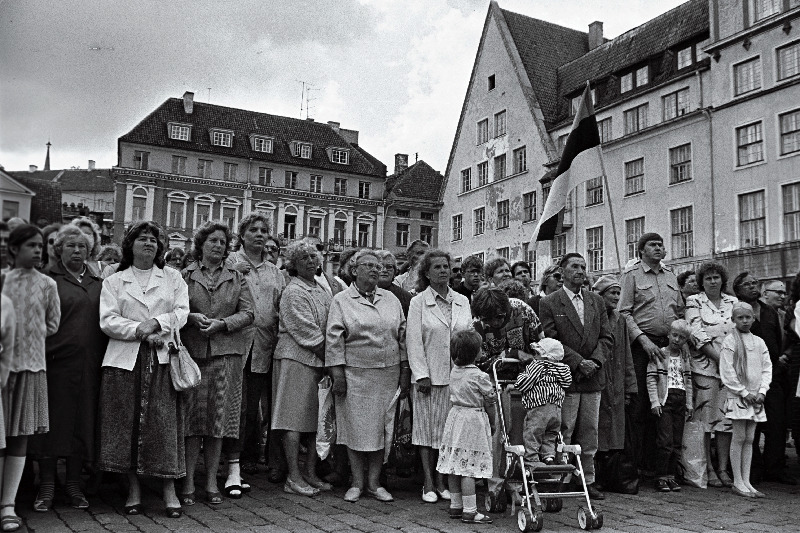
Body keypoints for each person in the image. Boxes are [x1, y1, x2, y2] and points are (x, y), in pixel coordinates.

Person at [97, 221, 188, 518]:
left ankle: (168, 489)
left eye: (154, 240)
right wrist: (139, 329)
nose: (149, 243)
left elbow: (181, 311)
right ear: (130, 244)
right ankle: (133, 488)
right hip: (125, 360)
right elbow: (108, 320)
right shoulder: (115, 280)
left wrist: (158, 324)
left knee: (163, 424)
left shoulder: (172, 277)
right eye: (142, 239)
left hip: (162, 359)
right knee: (126, 423)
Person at [30, 226, 107, 512]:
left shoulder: (99, 282)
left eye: (82, 247)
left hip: (89, 367)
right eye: (71, 246)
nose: (77, 251)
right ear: (59, 249)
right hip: (54, 365)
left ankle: (74, 484)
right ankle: (48, 485)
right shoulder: (48, 281)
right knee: (51, 425)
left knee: (81, 423)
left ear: (91, 252)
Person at [326, 249, 410, 503]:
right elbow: (333, 340)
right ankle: (356, 482)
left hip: (388, 373)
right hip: (354, 375)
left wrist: (405, 370)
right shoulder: (341, 300)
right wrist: (337, 373)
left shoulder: (391, 299)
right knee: (355, 429)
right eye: (369, 265)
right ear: (354, 270)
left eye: (380, 266)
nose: (377, 270)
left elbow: (403, 337)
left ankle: (374, 483)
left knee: (381, 430)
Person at [180, 221, 254, 505]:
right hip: (193, 353)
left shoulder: (236, 277)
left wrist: (223, 324)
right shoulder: (184, 275)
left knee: (218, 422)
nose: (218, 246)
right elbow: (173, 308)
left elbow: (249, 313)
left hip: (226, 355)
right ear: (201, 244)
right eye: (213, 240)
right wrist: (189, 318)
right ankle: (187, 482)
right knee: (192, 421)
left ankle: (211, 481)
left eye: (223, 242)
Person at [1, 225, 60, 531]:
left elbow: (52, 324)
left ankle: (7, 504)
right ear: (13, 249)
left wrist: (26, 338)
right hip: (2, 368)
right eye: (30, 246)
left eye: (40, 246)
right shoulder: (2, 280)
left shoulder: (48, 285)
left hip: (31, 367)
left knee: (19, 437)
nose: (38, 250)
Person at [539, 252, 612, 500]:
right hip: (566, 376)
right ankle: (563, 478)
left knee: (590, 431)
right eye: (574, 266)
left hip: (593, 378)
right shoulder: (550, 302)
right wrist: (579, 362)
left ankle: (587, 479)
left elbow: (606, 337)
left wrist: (595, 361)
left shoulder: (596, 301)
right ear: (562, 271)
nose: (580, 271)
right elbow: (550, 339)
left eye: (583, 266)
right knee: (565, 429)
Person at [407, 249, 472, 503]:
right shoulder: (417, 302)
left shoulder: (462, 301)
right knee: (425, 432)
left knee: (448, 432)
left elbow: (467, 335)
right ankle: (428, 483)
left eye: (446, 266)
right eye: (437, 267)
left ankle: (443, 480)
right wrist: (421, 374)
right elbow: (413, 341)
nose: (443, 270)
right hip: (429, 378)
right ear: (426, 273)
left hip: (456, 376)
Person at [226, 214, 286, 487]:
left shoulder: (275, 271)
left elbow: (280, 306)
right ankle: (239, 458)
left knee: (267, 406)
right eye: (253, 230)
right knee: (243, 407)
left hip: (268, 343)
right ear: (242, 234)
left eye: (264, 231)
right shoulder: (232, 263)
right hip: (239, 341)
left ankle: (264, 457)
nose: (259, 235)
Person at [618, 232, 683, 474]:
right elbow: (623, 313)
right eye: (652, 245)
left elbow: (679, 311)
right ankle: (633, 467)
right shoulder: (631, 276)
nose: (658, 248)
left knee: (664, 405)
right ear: (641, 251)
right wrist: (643, 340)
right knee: (640, 404)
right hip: (641, 346)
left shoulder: (671, 277)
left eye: (660, 244)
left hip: (668, 349)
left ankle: (658, 467)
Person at [272, 241, 331, 497]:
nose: (310, 261)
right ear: (293, 264)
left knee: (313, 421)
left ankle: (309, 472)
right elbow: (305, 330)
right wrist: (332, 358)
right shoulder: (293, 291)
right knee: (293, 420)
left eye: (313, 256)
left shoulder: (320, 289)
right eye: (303, 258)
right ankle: (293, 477)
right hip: (295, 360)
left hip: (318, 362)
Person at [732, 273, 794, 484]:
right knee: (751, 424)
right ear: (738, 289)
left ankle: (774, 467)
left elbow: (777, 341)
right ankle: (754, 469)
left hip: (771, 375)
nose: (752, 286)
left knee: (776, 423)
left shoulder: (769, 311)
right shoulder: (737, 310)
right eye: (747, 284)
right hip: (747, 377)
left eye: (754, 283)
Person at [684, 261, 737, 488]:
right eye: (708, 278)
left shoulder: (733, 302)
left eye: (716, 278)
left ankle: (724, 468)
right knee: (705, 420)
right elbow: (696, 333)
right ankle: (709, 468)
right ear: (701, 282)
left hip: (732, 369)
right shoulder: (694, 301)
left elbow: (741, 332)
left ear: (722, 280)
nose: (713, 281)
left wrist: (731, 364)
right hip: (705, 367)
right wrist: (719, 359)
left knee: (726, 420)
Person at [436, 329, 497, 524]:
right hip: (473, 420)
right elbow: (489, 401)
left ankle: (456, 505)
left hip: (455, 418)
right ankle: (470, 510)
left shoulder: (454, 371)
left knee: (455, 463)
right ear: (476, 353)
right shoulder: (480, 376)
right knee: (469, 467)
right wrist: (493, 421)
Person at [720, 302, 772, 498]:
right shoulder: (730, 341)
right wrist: (742, 392)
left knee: (750, 438)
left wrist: (762, 390)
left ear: (753, 318)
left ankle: (747, 480)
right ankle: (737, 481)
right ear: (733, 319)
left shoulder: (759, 342)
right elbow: (727, 370)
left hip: (756, 396)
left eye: (747, 317)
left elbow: (767, 368)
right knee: (739, 436)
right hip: (740, 395)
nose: (744, 321)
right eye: (740, 318)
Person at [592, 276, 637, 469]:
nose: (617, 297)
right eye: (612, 292)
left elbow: (626, 353)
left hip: (617, 381)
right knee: (596, 428)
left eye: (619, 293)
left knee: (615, 431)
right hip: (599, 378)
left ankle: (611, 473)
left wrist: (629, 386)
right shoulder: (593, 317)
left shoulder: (621, 320)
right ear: (601, 295)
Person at [647, 319, 694, 492]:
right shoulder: (660, 354)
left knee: (676, 442)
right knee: (664, 441)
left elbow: (688, 381)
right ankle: (660, 476)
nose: (676, 340)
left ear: (685, 341)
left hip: (680, 398)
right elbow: (651, 379)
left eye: (682, 338)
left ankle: (671, 476)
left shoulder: (685, 357)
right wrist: (654, 401)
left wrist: (689, 403)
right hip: (665, 400)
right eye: (674, 335)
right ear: (668, 335)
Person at [515, 338, 572, 468]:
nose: (534, 356)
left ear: (545, 356)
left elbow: (525, 383)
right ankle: (549, 457)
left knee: (533, 433)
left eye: (536, 353)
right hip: (556, 409)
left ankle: (532, 458)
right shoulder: (563, 369)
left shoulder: (538, 366)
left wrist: (519, 381)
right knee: (550, 434)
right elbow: (567, 383)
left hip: (539, 407)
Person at [374, 250, 412, 317]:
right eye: (380, 267)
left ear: (395, 271)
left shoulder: (405, 297)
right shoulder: (364, 293)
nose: (385, 270)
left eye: (389, 267)